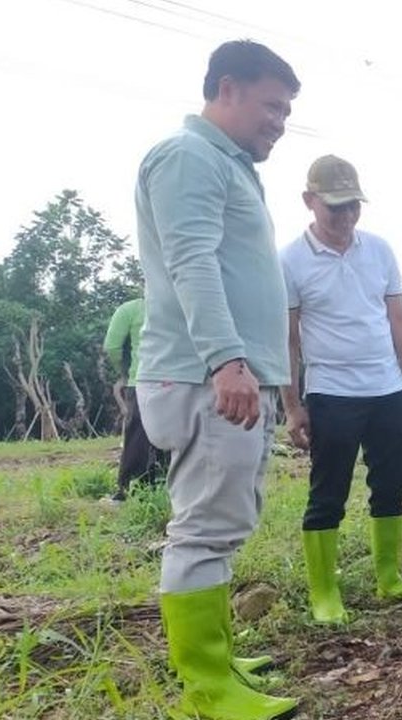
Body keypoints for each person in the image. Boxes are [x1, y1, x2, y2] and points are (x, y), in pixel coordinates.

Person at [134, 40, 299, 720]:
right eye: (271, 106)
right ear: (226, 89)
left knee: (225, 521)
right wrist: (226, 360)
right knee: (202, 529)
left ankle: (217, 656)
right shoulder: (189, 158)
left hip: (229, 376)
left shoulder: (226, 164)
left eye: (287, 112)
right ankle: (207, 688)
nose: (279, 122)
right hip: (206, 377)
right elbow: (191, 264)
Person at [280, 155, 402, 624]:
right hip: (330, 393)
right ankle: (324, 592)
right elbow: (287, 337)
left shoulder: (379, 250)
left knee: (391, 486)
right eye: (335, 208)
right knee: (329, 492)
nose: (345, 217)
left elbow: (399, 319)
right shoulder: (289, 260)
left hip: (386, 388)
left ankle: (390, 576)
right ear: (309, 202)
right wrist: (292, 406)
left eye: (352, 207)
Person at [102, 296, 167, 501]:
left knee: (138, 435)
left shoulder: (130, 309)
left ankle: (128, 490)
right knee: (172, 434)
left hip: (141, 379)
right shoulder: (181, 304)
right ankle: (166, 484)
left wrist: (123, 371)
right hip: (180, 380)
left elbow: (112, 347)